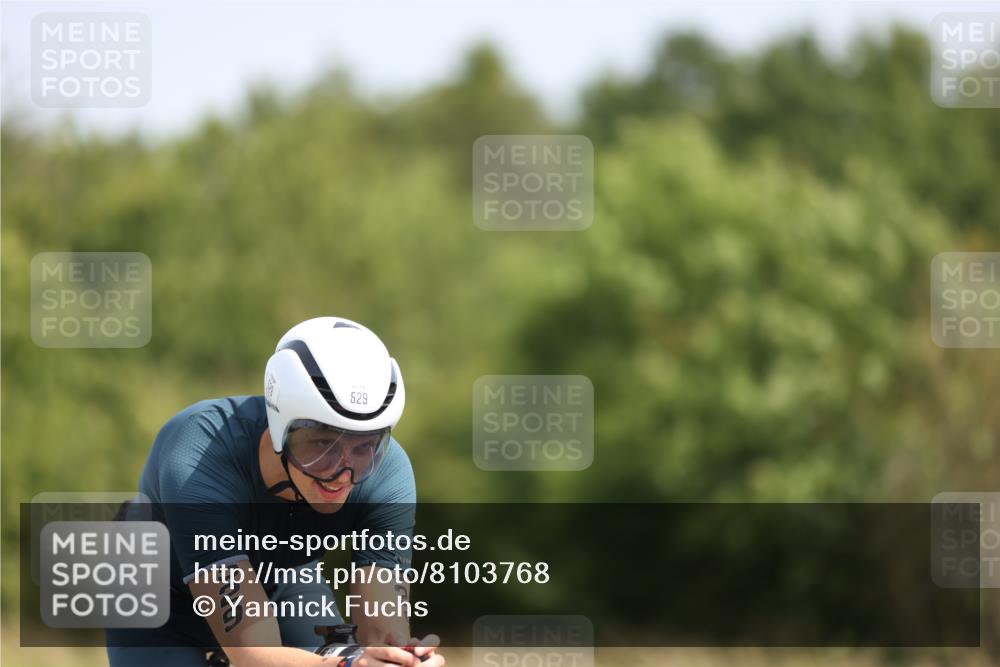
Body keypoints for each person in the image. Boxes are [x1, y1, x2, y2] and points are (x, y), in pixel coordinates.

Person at [106, 317, 445, 667]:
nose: (342, 474)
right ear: (281, 424)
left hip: (283, 576)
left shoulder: (388, 473)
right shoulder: (196, 455)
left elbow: (381, 631)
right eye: (323, 443)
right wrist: (346, 664)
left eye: (364, 446)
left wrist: (401, 659)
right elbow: (253, 652)